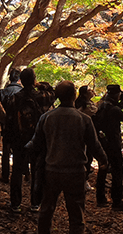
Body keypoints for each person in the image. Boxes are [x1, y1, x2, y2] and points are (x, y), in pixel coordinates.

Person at [31, 81, 107, 234]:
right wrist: (104, 160)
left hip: (51, 169)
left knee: (46, 210)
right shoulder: (83, 119)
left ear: (57, 96)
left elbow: (36, 143)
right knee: (76, 213)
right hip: (75, 172)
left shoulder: (46, 117)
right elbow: (94, 145)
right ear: (74, 95)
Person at [5, 67, 50, 213]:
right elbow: (55, 93)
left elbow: (9, 120)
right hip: (38, 139)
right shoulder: (42, 96)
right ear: (34, 79)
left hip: (19, 138)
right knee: (37, 171)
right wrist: (41, 85)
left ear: (21, 81)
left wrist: (9, 139)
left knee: (17, 170)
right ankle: (35, 203)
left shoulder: (14, 98)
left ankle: (15, 203)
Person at [92, 84, 123, 209]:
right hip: (113, 142)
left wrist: (122, 102)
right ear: (117, 95)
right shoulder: (113, 109)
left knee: (103, 167)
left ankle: (100, 198)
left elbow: (115, 110)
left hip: (103, 141)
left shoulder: (102, 105)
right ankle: (117, 201)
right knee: (117, 170)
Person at [0, 68, 22, 183]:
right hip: (20, 126)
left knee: (6, 150)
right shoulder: (22, 92)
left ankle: (5, 174)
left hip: (6, 124)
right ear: (19, 79)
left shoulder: (2, 92)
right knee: (18, 150)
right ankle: (19, 175)